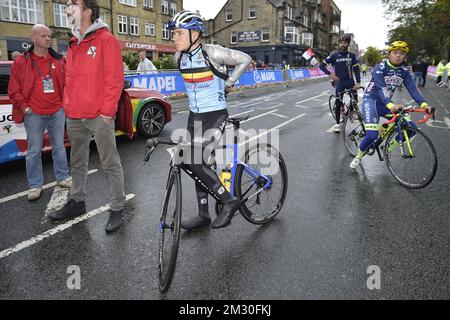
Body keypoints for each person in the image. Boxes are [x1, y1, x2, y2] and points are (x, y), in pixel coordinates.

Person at [167, 10, 251, 230]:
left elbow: (245, 59)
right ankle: (203, 215)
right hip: (194, 116)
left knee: (194, 160)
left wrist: (229, 82)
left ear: (194, 33)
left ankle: (229, 201)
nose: (174, 38)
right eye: (173, 33)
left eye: (178, 33)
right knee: (195, 165)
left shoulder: (213, 52)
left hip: (214, 115)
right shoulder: (179, 57)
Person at [49, 0, 126, 234]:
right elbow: (70, 80)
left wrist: (106, 112)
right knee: (77, 162)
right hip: (74, 115)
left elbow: (114, 80)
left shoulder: (106, 40)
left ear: (88, 11)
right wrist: (68, 106)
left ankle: (117, 206)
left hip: (98, 116)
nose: (68, 8)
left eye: (73, 4)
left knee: (110, 162)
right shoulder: (73, 43)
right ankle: (77, 201)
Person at [8, 24, 71, 201]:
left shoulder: (58, 60)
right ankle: (35, 185)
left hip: (56, 111)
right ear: (33, 38)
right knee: (34, 151)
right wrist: (25, 107)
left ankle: (63, 177)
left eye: (49, 36)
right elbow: (14, 89)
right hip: (33, 114)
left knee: (59, 147)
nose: (48, 39)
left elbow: (68, 84)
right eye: (43, 36)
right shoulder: (21, 61)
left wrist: (63, 104)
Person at [349, 41, 433, 170]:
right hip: (371, 101)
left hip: (386, 103)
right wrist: (390, 104)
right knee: (372, 135)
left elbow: (413, 89)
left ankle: (387, 148)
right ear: (389, 54)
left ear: (405, 56)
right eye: (395, 52)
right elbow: (381, 87)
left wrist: (424, 105)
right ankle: (358, 157)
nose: (398, 55)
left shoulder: (404, 71)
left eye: (402, 53)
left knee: (410, 128)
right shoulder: (380, 67)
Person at [319, 34, 361, 133]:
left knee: (355, 101)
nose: (343, 45)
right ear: (339, 44)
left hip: (350, 82)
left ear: (348, 44)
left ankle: (349, 112)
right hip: (340, 83)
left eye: (345, 43)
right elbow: (321, 66)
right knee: (338, 103)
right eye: (341, 43)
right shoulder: (333, 56)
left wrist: (358, 82)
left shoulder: (352, 56)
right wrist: (331, 75)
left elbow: (356, 69)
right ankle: (337, 123)